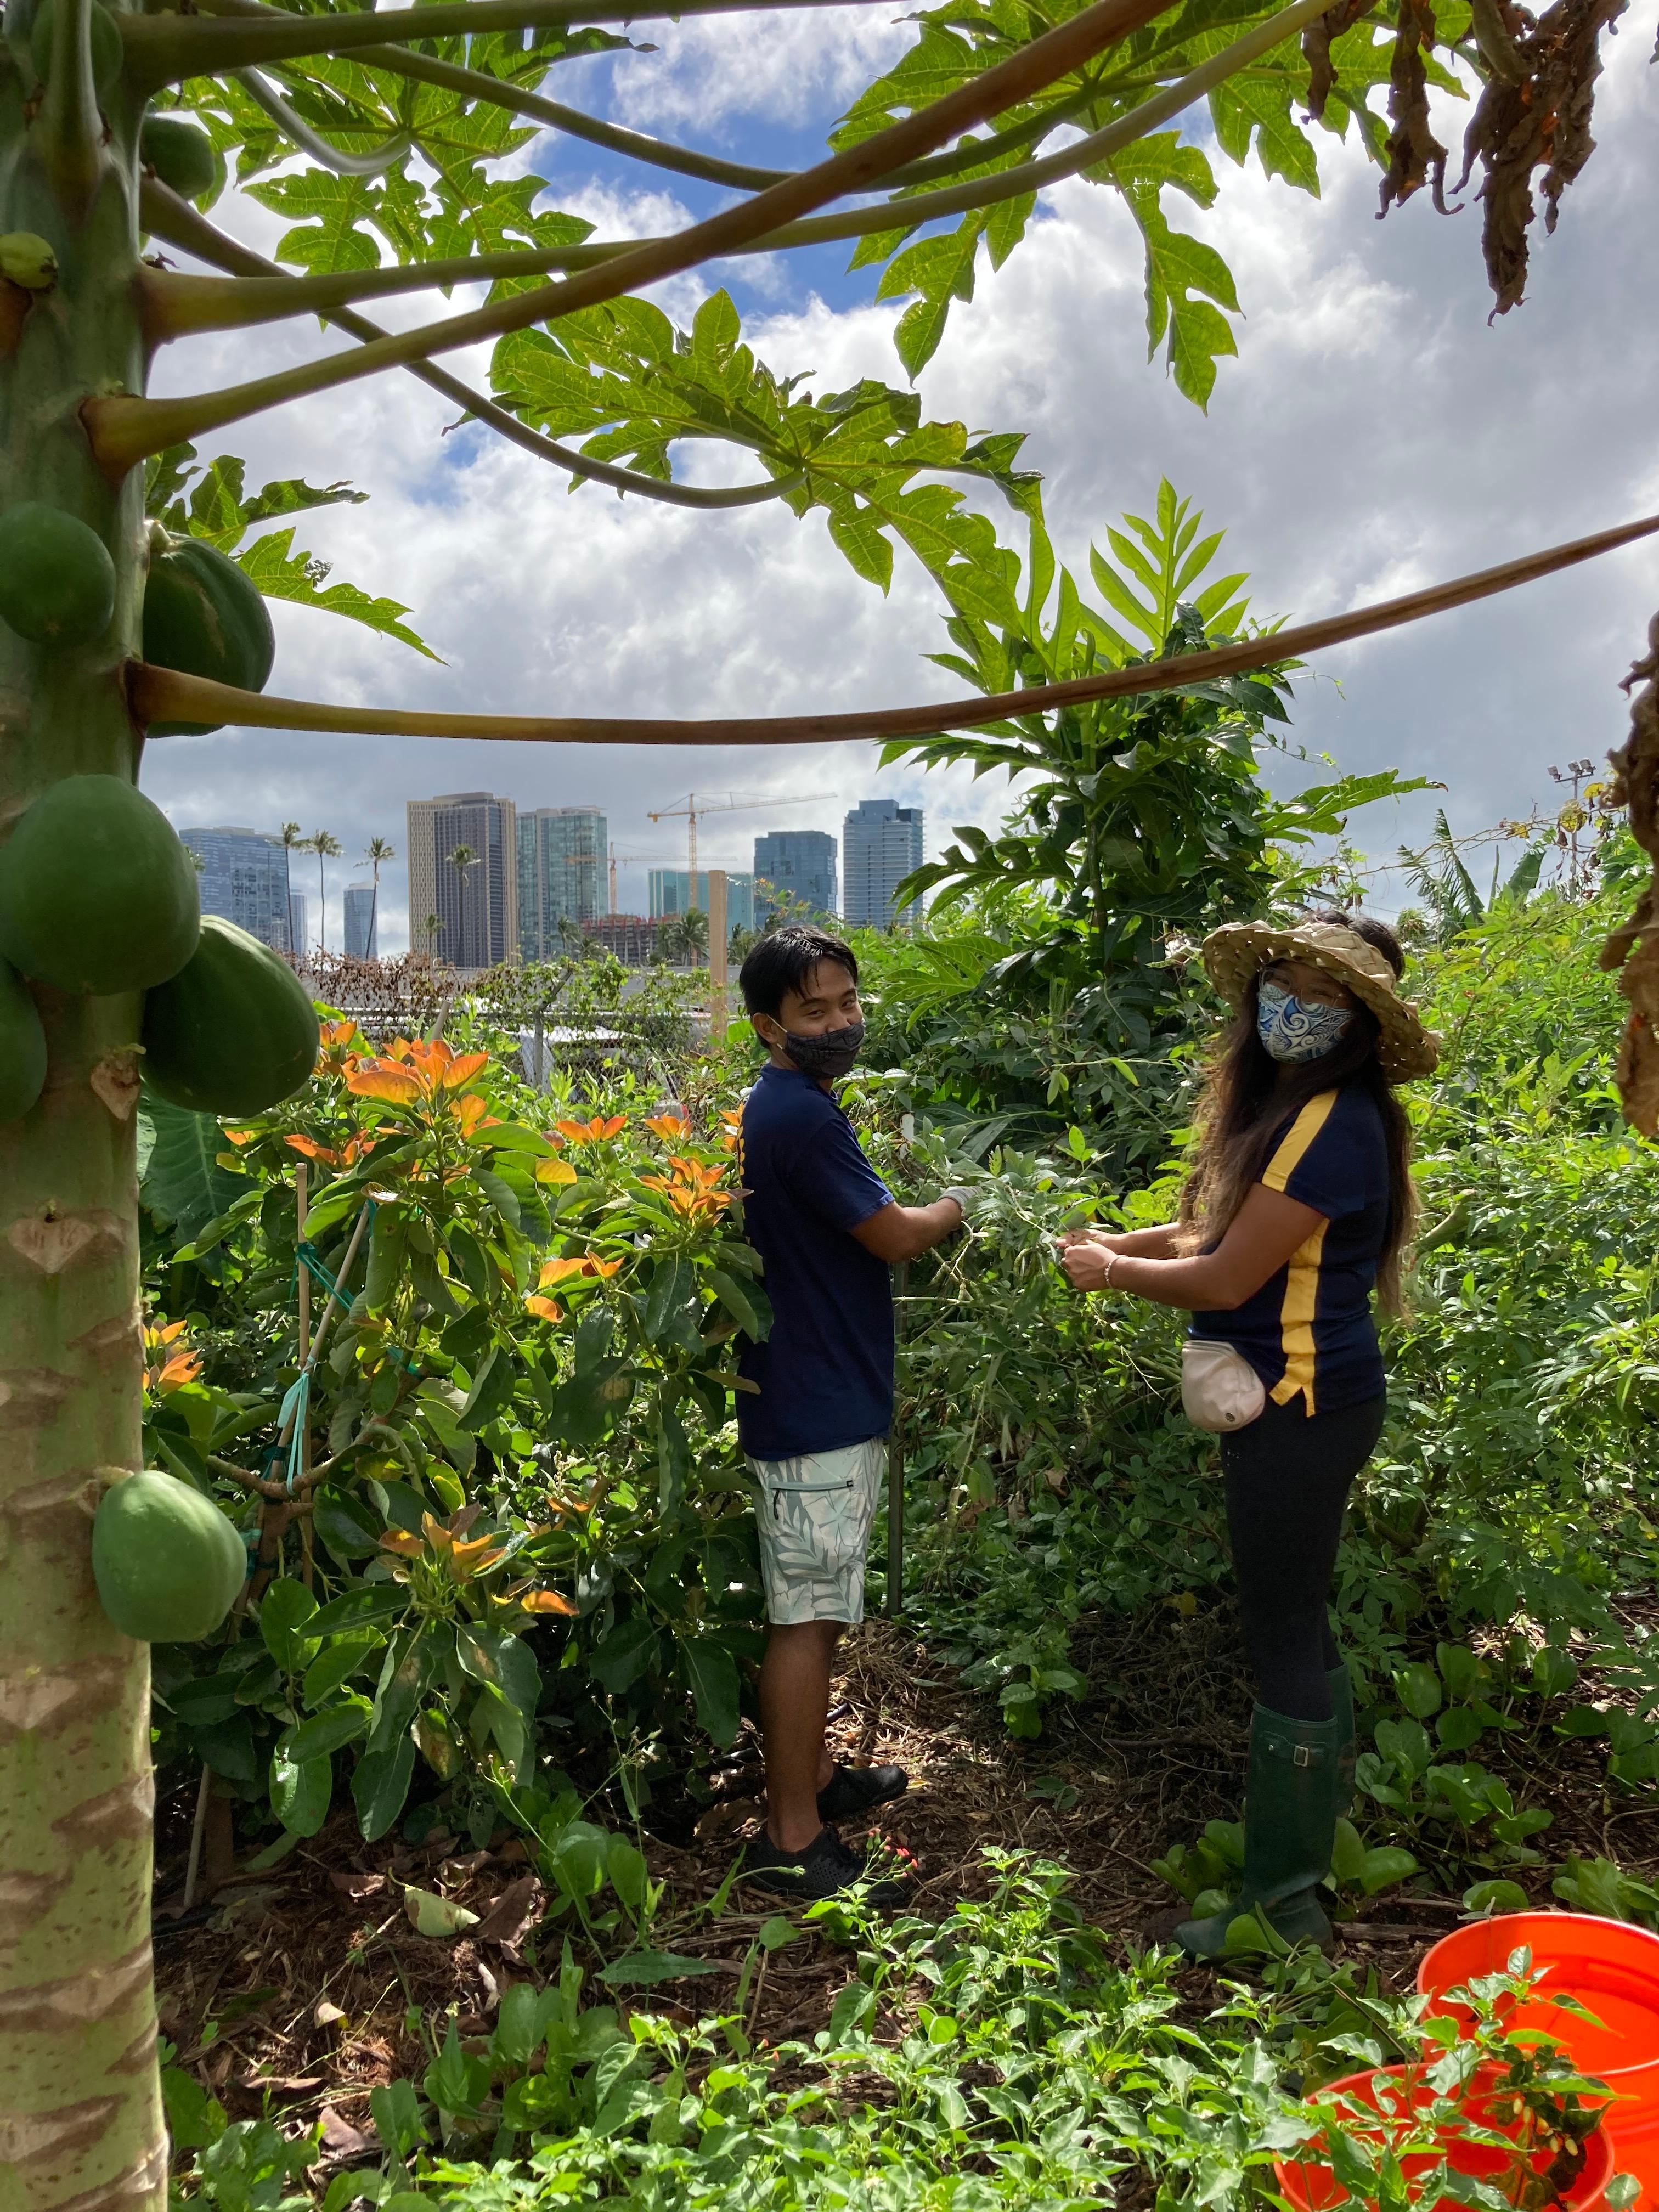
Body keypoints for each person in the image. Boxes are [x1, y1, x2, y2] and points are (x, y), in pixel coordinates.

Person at [1057, 912, 1438, 1957]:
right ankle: (1317, 1841)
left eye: (1326, 994)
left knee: (1280, 1638)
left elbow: (1226, 1276)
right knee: (1300, 1617)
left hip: (1300, 1411)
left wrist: (1114, 1275)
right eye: (1287, 978)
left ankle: (1285, 1905)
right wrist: (1118, 1240)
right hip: (1308, 1407)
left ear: (1362, 1021)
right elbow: (1221, 1232)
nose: (1296, 1005)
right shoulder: (1296, 1109)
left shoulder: (1334, 1122)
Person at [735, 926, 979, 1901]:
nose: (841, 1023)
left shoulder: (791, 1103)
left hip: (815, 1389)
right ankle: (791, 1839)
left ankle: (820, 1782)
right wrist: (954, 1205)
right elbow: (892, 1236)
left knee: (819, 1610)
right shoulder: (800, 1116)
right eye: (815, 1012)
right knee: (808, 1619)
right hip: (815, 1406)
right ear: (769, 1027)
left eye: (847, 1004)